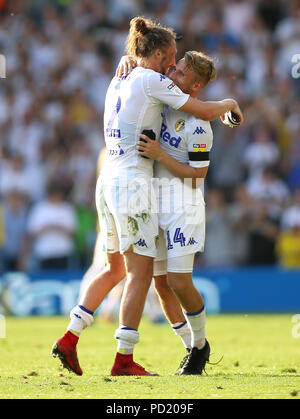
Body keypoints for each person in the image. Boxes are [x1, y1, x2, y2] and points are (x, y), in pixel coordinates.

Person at [52, 16, 243, 377]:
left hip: (107, 179)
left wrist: (126, 61)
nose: (172, 65)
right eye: (171, 58)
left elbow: (191, 122)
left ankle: (69, 338)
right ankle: (124, 360)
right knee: (139, 274)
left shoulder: (118, 76)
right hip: (133, 184)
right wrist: (230, 101)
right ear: (156, 53)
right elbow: (202, 108)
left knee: (115, 269)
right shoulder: (153, 80)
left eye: (179, 64)